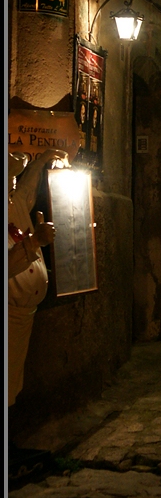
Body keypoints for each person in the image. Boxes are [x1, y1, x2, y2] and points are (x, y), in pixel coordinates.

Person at [8, 149, 67, 411]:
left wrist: (42, 161)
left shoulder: (13, 203)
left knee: (13, 377)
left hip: (23, 314)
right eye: (9, 178)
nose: (13, 183)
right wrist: (35, 242)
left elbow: (27, 192)